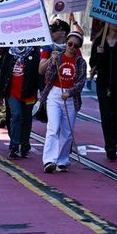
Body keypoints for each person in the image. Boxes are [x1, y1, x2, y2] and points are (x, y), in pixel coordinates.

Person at [39, 31, 87, 172]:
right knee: (53, 128)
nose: (71, 47)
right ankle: (49, 160)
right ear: (66, 42)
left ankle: (62, 160)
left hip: (70, 97)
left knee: (67, 131)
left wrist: (69, 92)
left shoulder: (80, 62)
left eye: (75, 45)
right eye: (70, 43)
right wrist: (52, 62)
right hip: (54, 94)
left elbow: (81, 81)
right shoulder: (58, 57)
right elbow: (47, 77)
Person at [89, 21, 117, 161]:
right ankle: (110, 145)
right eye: (112, 22)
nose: (115, 24)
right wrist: (98, 53)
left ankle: (114, 140)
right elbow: (93, 63)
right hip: (103, 83)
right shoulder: (99, 42)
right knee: (106, 114)